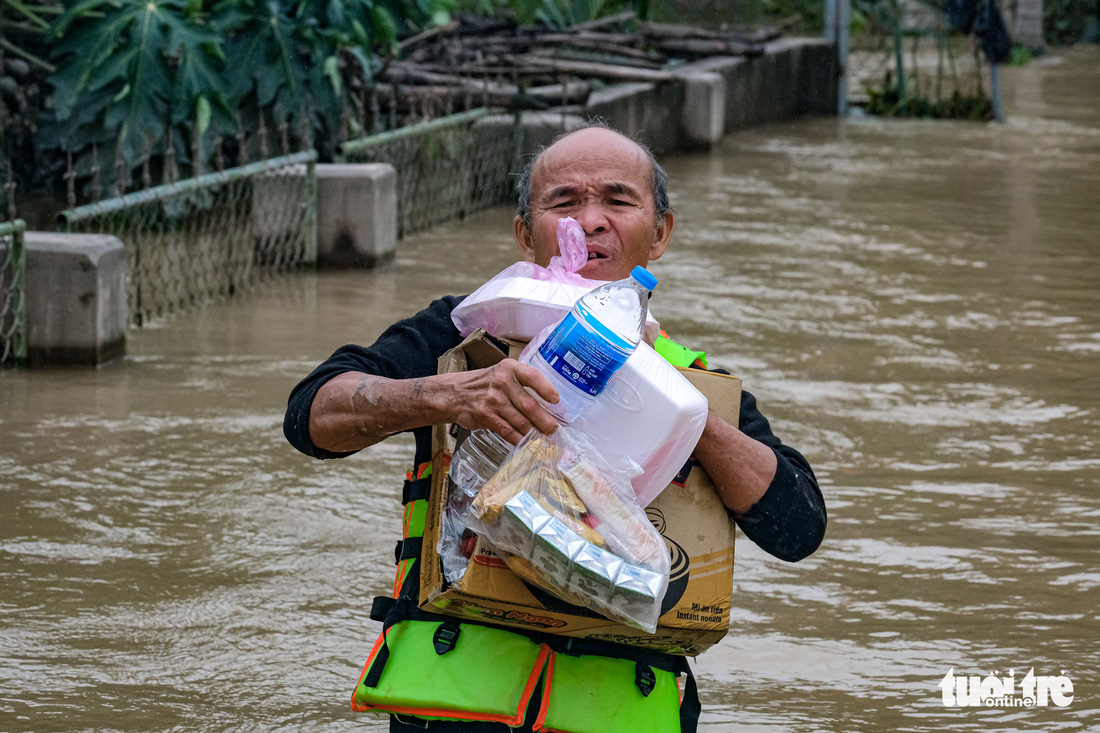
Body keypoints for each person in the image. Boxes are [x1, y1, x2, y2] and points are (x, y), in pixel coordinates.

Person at [283, 124, 827, 732]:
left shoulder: (696, 384)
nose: (591, 220)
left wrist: (684, 420)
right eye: (564, 202)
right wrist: (448, 394)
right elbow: (311, 417)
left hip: (616, 709)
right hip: (457, 708)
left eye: (618, 201)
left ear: (659, 233)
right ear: (526, 234)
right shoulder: (467, 334)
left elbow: (799, 528)